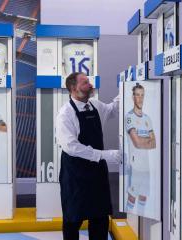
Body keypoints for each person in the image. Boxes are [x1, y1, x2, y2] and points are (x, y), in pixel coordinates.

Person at [56, 72, 121, 240]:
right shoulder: (65, 114)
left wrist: (127, 88)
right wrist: (104, 155)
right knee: (73, 220)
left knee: (100, 217)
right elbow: (72, 147)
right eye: (85, 83)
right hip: (75, 174)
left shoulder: (95, 105)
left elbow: (113, 109)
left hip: (96, 173)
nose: (90, 85)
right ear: (73, 88)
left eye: (89, 82)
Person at [125, 83, 156, 213]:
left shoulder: (147, 118)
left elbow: (154, 143)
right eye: (138, 95)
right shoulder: (129, 117)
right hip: (135, 165)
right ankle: (131, 221)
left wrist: (144, 141)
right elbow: (136, 143)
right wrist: (146, 141)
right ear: (133, 97)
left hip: (146, 167)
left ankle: (141, 222)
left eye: (142, 95)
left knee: (144, 195)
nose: (140, 98)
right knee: (132, 196)